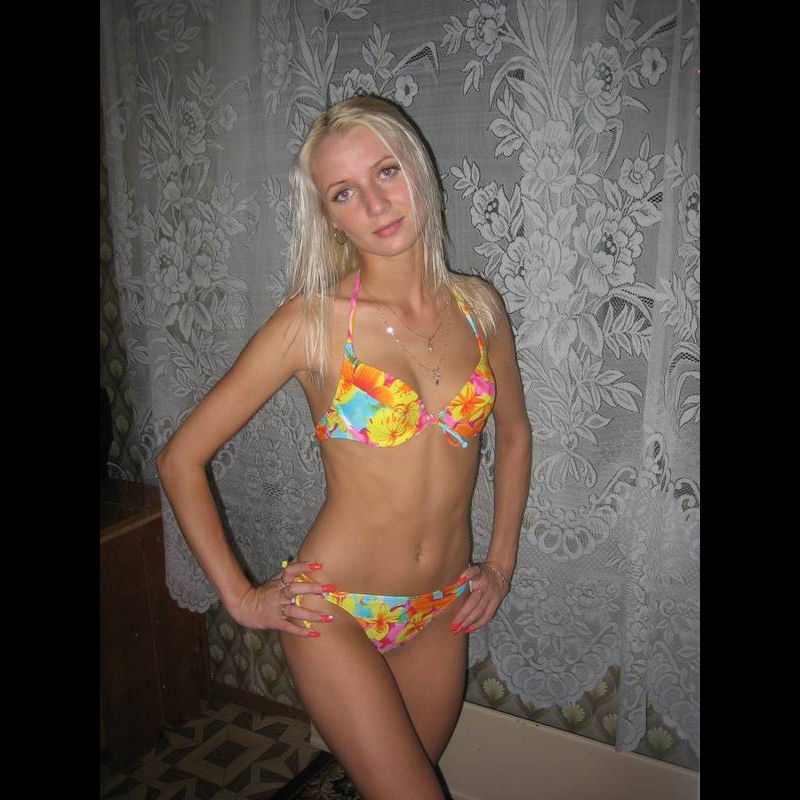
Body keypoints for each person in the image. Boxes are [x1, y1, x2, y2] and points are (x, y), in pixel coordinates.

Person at [157, 95, 532, 800]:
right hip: (334, 607)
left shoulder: (479, 308)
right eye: (344, 192)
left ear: (418, 168)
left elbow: (512, 432)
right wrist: (242, 598)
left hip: (442, 608)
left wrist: (502, 562)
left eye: (386, 171)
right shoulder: (312, 323)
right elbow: (180, 459)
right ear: (329, 216)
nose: (376, 203)